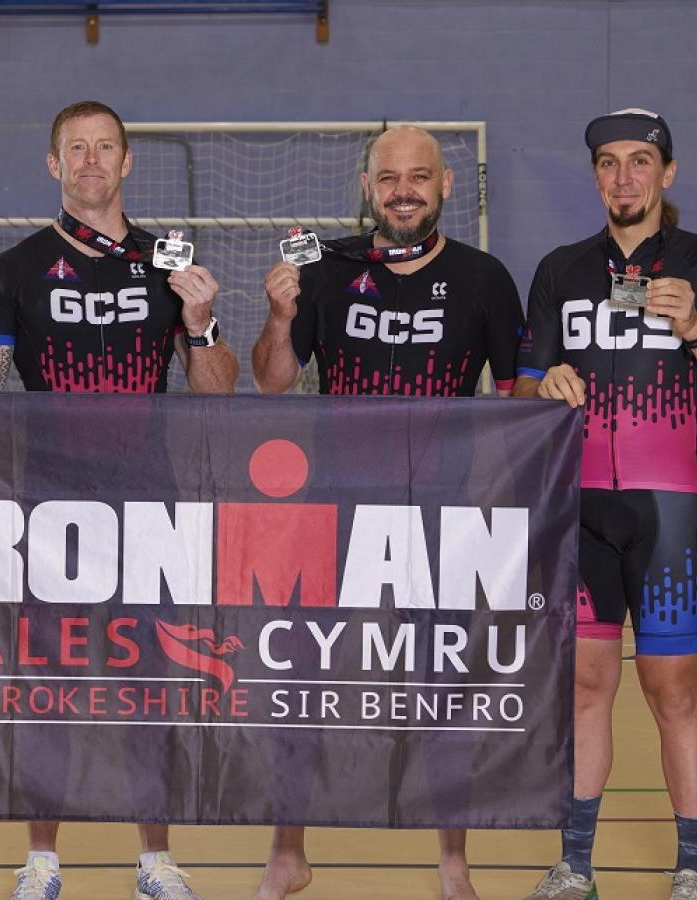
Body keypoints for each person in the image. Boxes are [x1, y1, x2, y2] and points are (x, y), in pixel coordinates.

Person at [0, 99, 238, 900]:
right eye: (75, 149)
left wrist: (202, 320)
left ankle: (156, 858)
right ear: (54, 165)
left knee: (150, 686)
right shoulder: (9, 272)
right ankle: (42, 859)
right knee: (47, 683)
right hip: (49, 513)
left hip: (149, 508)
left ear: (127, 162)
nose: (90, 161)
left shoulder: (170, 264)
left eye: (105, 147)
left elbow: (217, 392)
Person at [248, 124, 523, 900]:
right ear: (368, 188)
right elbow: (272, 381)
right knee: (299, 680)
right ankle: (286, 851)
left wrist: (555, 390)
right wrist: (276, 318)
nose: (405, 190)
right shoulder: (322, 268)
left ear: (443, 188)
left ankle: (453, 865)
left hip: (441, 517)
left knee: (443, 690)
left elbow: (519, 399)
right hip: (331, 511)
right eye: (389, 177)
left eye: (420, 177)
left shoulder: (485, 278)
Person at [515, 109, 697, 900]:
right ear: (595, 177)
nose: (624, 177)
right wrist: (541, 384)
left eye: (640, 161)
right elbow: (522, 383)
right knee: (585, 686)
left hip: (670, 508)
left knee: (674, 687)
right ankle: (575, 862)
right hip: (577, 507)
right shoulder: (561, 269)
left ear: (667, 173)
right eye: (609, 163)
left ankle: (694, 868)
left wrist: (695, 327)